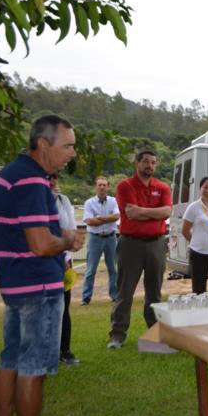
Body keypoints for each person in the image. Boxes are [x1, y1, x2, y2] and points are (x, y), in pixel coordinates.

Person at [0, 115, 85, 416]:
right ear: (43, 144)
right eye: (68, 145)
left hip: (14, 285)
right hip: (37, 286)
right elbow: (42, 244)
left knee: (10, 360)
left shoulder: (11, 173)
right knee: (32, 367)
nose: (72, 152)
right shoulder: (31, 181)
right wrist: (69, 239)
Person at [107, 150, 172, 349]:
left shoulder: (163, 187)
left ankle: (154, 331)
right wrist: (155, 213)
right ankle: (117, 335)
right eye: (145, 161)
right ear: (137, 163)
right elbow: (130, 214)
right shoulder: (125, 185)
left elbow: (167, 211)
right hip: (130, 243)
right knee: (125, 291)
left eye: (153, 162)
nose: (149, 166)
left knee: (154, 291)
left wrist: (142, 211)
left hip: (156, 243)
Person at [49, 173, 80, 365]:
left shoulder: (63, 200)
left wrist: (66, 256)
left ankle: (64, 350)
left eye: (55, 178)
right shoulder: (34, 198)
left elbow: (71, 230)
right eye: (48, 178)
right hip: (44, 260)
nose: (53, 182)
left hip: (63, 260)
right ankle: (46, 352)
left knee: (63, 307)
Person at [81, 176, 119, 305]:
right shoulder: (89, 203)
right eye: (99, 185)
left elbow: (116, 216)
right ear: (95, 187)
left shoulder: (113, 201)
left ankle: (114, 296)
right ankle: (86, 298)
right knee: (91, 269)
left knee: (113, 269)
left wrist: (99, 218)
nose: (102, 187)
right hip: (95, 239)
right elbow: (89, 222)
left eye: (104, 185)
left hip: (111, 238)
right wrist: (107, 218)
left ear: (108, 186)